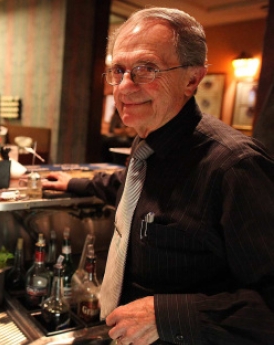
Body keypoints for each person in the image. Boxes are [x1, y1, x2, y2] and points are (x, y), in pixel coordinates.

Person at [43, 7, 274, 345]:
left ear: (192, 79)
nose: (124, 87)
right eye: (118, 70)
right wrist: (72, 183)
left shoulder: (235, 167)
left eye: (145, 69)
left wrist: (167, 315)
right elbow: (126, 187)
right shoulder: (148, 140)